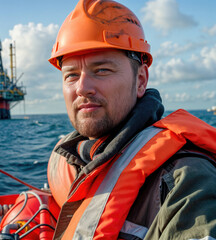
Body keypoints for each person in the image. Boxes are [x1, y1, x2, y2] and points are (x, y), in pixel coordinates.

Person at [46, 0, 216, 239]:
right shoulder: (73, 158)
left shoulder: (185, 181)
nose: (82, 87)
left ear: (141, 81)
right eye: (71, 75)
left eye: (102, 70)